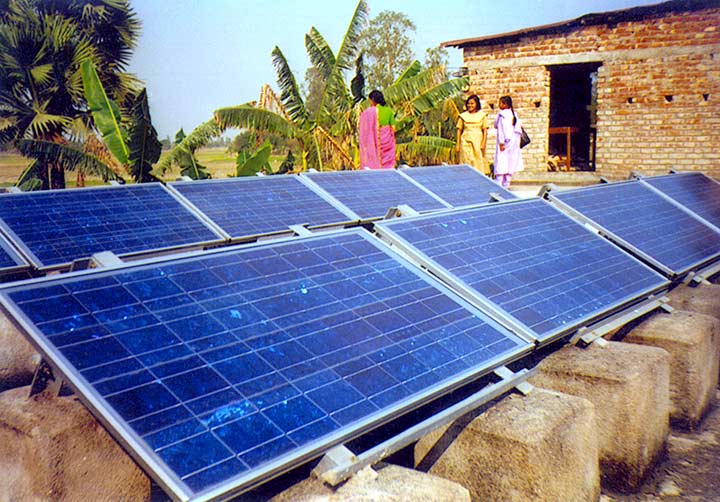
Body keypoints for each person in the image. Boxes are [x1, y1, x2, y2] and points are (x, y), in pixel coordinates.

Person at [358, 90, 396, 169]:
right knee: (387, 168)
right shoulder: (389, 111)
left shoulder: (369, 112)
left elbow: (366, 128)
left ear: (373, 100)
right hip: (387, 144)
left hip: (374, 142)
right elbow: (393, 129)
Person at [493, 95, 524, 187]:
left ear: (504, 104)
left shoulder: (502, 115)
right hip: (513, 143)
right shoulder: (514, 115)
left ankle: (499, 183)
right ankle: (507, 183)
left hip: (505, 142)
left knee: (501, 161)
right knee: (511, 161)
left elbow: (500, 128)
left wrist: (501, 142)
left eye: (500, 103)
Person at [456, 94, 489, 174]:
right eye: (468, 103)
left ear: (476, 104)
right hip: (465, 141)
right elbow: (459, 130)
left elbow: (485, 130)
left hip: (478, 141)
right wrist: (458, 144)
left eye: (472, 103)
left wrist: (483, 143)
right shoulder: (463, 116)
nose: (470, 105)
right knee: (466, 159)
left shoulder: (482, 116)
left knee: (478, 160)